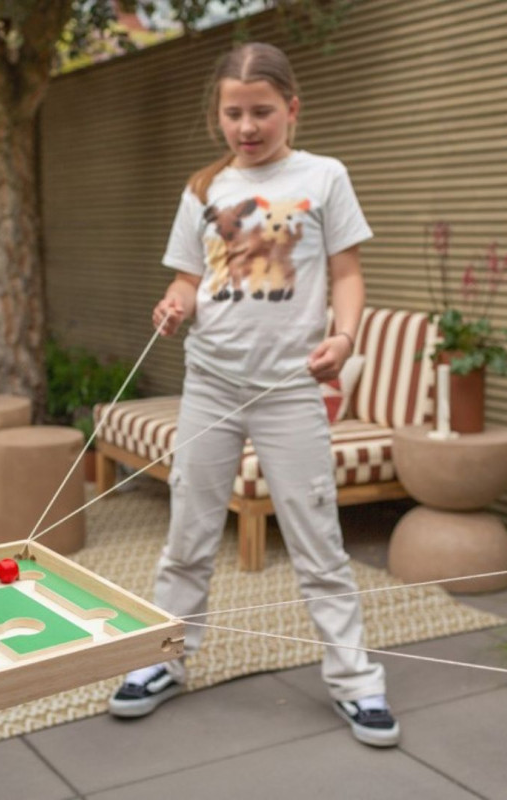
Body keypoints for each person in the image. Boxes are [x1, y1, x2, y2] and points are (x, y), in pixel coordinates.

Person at [107, 42, 400, 748]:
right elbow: (186, 279)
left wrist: (347, 336)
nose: (247, 126)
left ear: (292, 109)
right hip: (209, 383)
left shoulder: (325, 177)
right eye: (234, 112)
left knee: (315, 535)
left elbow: (348, 273)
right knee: (189, 529)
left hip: (291, 389)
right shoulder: (204, 186)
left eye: (262, 112)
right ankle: (163, 659)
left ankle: (355, 680)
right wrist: (173, 306)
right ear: (219, 113)